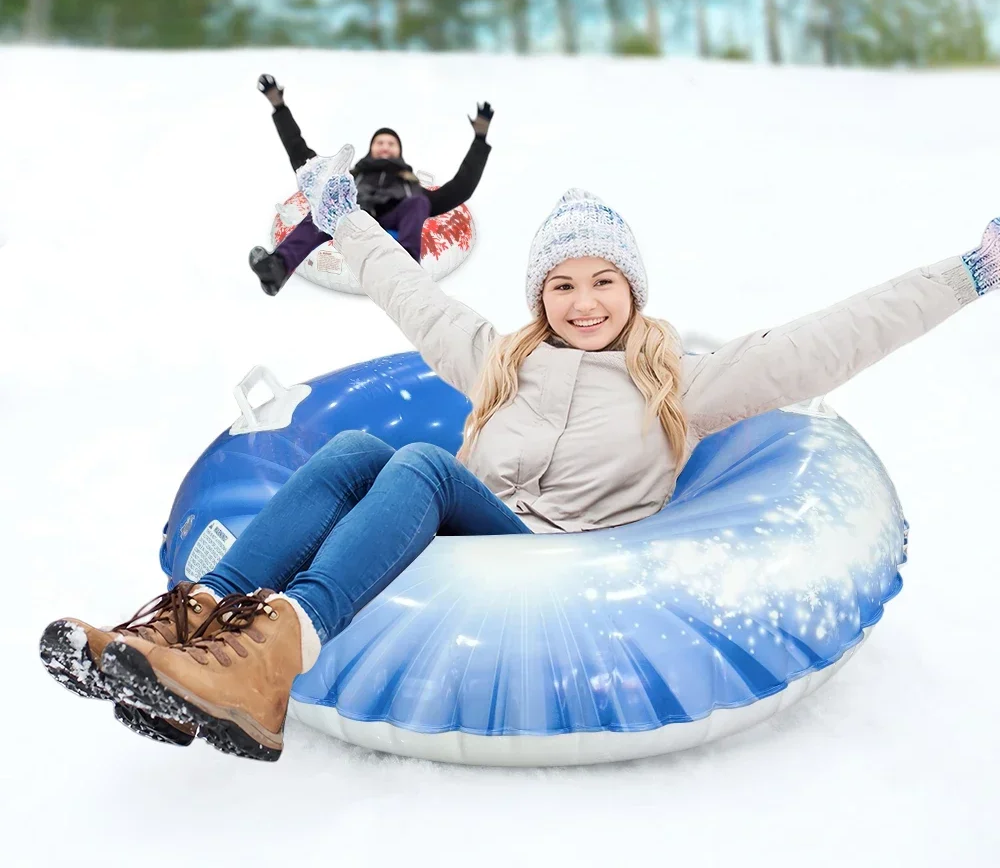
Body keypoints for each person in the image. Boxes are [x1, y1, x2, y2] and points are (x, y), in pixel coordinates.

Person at [40, 180, 999, 761]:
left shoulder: (686, 383)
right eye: (563, 284)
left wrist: (970, 272)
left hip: (555, 559)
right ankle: (182, 633)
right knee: (349, 453)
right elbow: (409, 295)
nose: (584, 303)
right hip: (454, 532)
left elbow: (830, 340)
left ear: (633, 289)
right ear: (540, 293)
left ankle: (275, 654)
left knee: (414, 462)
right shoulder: (502, 359)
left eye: (603, 282)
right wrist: (345, 222)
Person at [248, 74, 495, 295]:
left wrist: (480, 140)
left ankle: (406, 274)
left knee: (418, 202)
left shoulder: (412, 188)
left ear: (399, 151)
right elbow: (302, 157)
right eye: (380, 142)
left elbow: (461, 187)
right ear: (371, 149)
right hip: (352, 215)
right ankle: (277, 269)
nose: (385, 146)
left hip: (395, 220)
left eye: (391, 143)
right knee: (323, 206)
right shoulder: (349, 178)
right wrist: (279, 107)